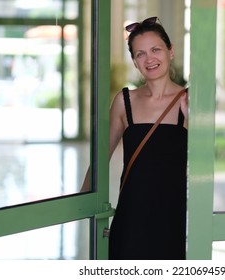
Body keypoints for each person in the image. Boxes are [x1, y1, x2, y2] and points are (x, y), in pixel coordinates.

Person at [81, 16, 188, 260]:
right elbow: (102, 155)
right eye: (140, 54)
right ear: (134, 62)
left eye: (155, 49)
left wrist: (191, 119)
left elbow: (204, 163)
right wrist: (82, 200)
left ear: (170, 52)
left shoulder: (189, 101)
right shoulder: (124, 101)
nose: (149, 59)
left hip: (173, 220)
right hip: (131, 219)